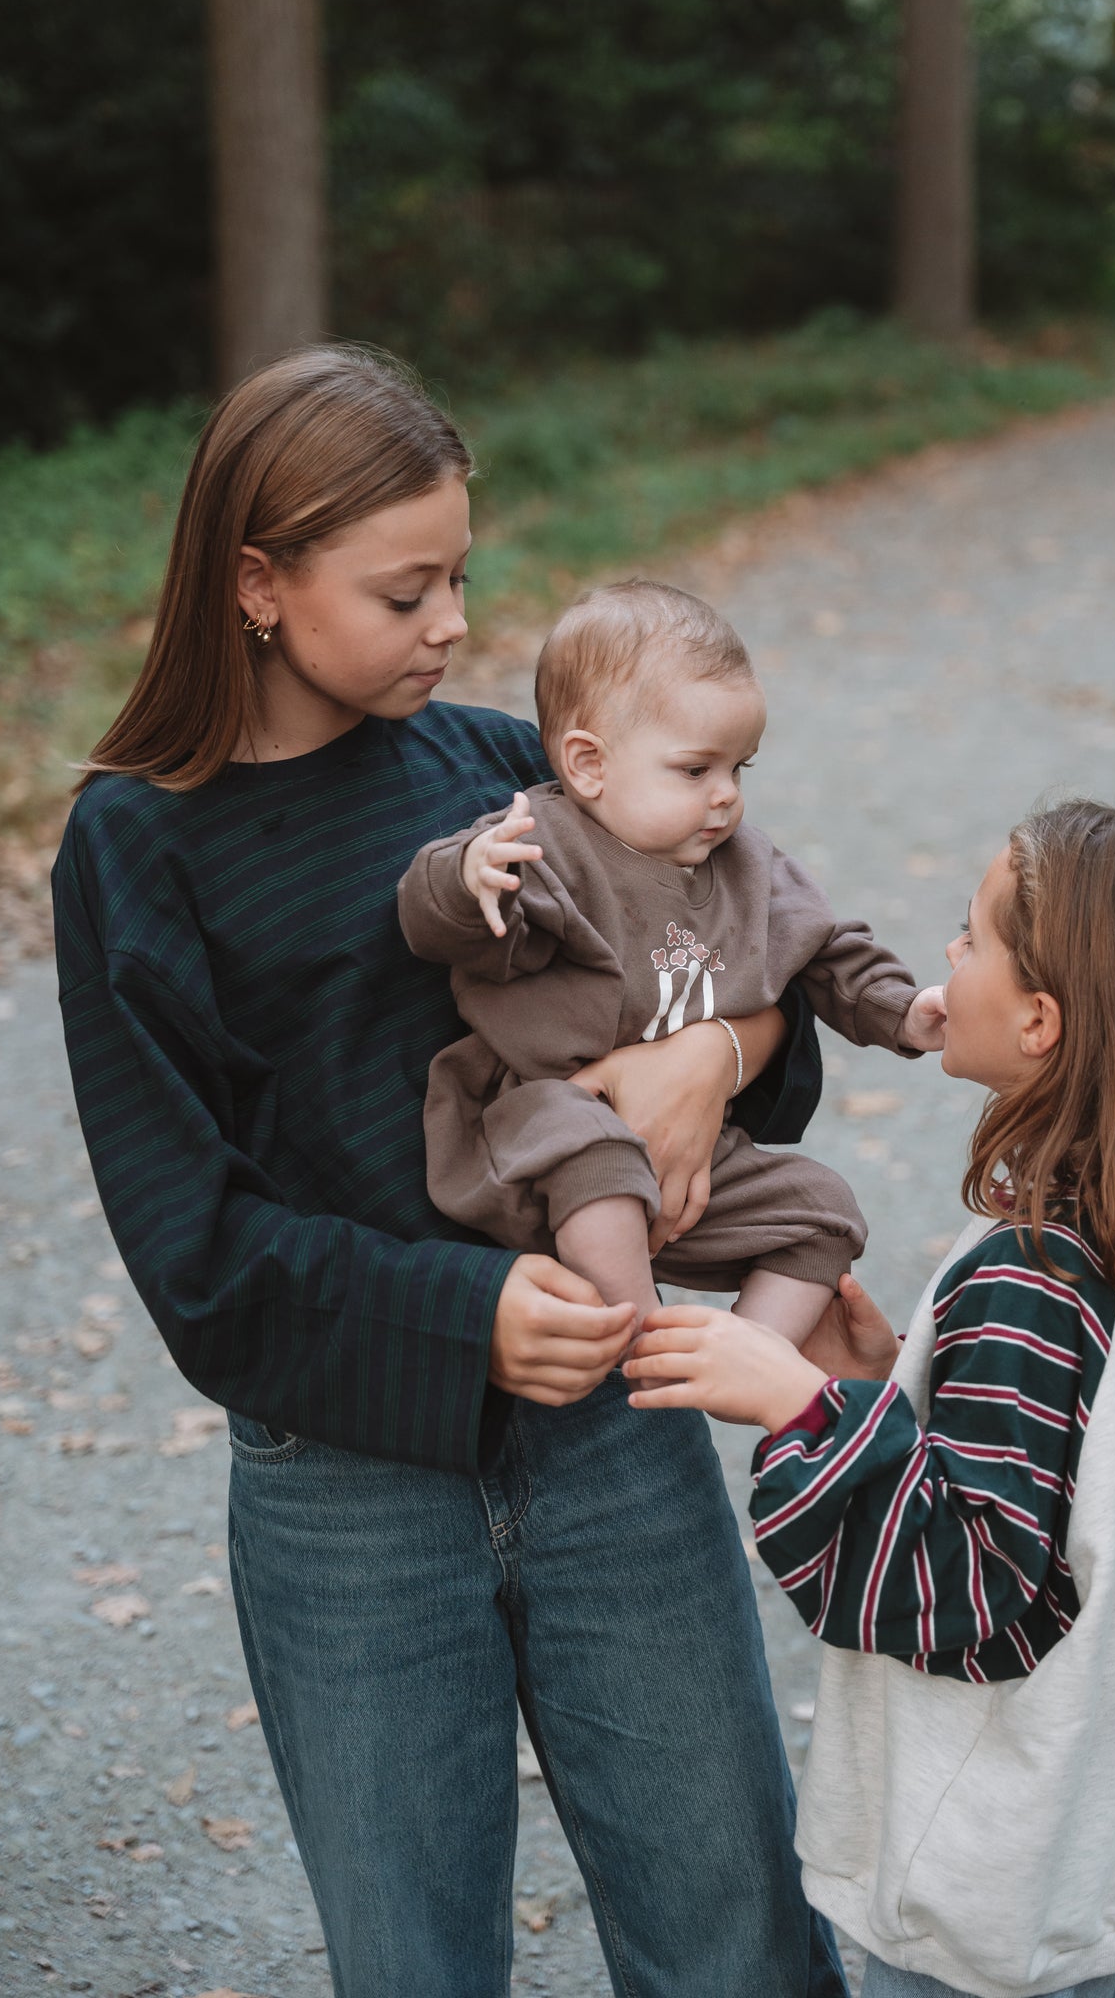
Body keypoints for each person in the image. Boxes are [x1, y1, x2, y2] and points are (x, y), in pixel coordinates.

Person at [51, 345, 849, 1997]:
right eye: (406, 589)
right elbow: (195, 1250)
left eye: (461, 577)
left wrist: (719, 1052)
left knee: (741, 1940)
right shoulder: (138, 843)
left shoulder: (505, 769)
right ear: (258, 584)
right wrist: (469, 1308)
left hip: (614, 1449)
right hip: (346, 1494)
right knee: (416, 1966)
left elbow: (746, 973)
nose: (453, 623)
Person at [623, 800, 1115, 1998]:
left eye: (969, 936)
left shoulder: (1034, 1272)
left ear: (1040, 1020)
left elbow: (975, 1586)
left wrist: (799, 1404)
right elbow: (1072, 1494)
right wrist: (879, 1387)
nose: (944, 956)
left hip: (977, 1874)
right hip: (1079, 1846)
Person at [397, 580, 949, 1349]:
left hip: (684, 1152)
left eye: (739, 768)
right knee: (592, 1149)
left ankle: (739, 1357)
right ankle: (641, 1339)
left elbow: (826, 947)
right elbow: (449, 925)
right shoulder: (542, 847)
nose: (726, 798)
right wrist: (465, 880)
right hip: (543, 1124)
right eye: (696, 771)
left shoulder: (746, 865)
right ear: (588, 763)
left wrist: (902, 1010)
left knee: (823, 1211)